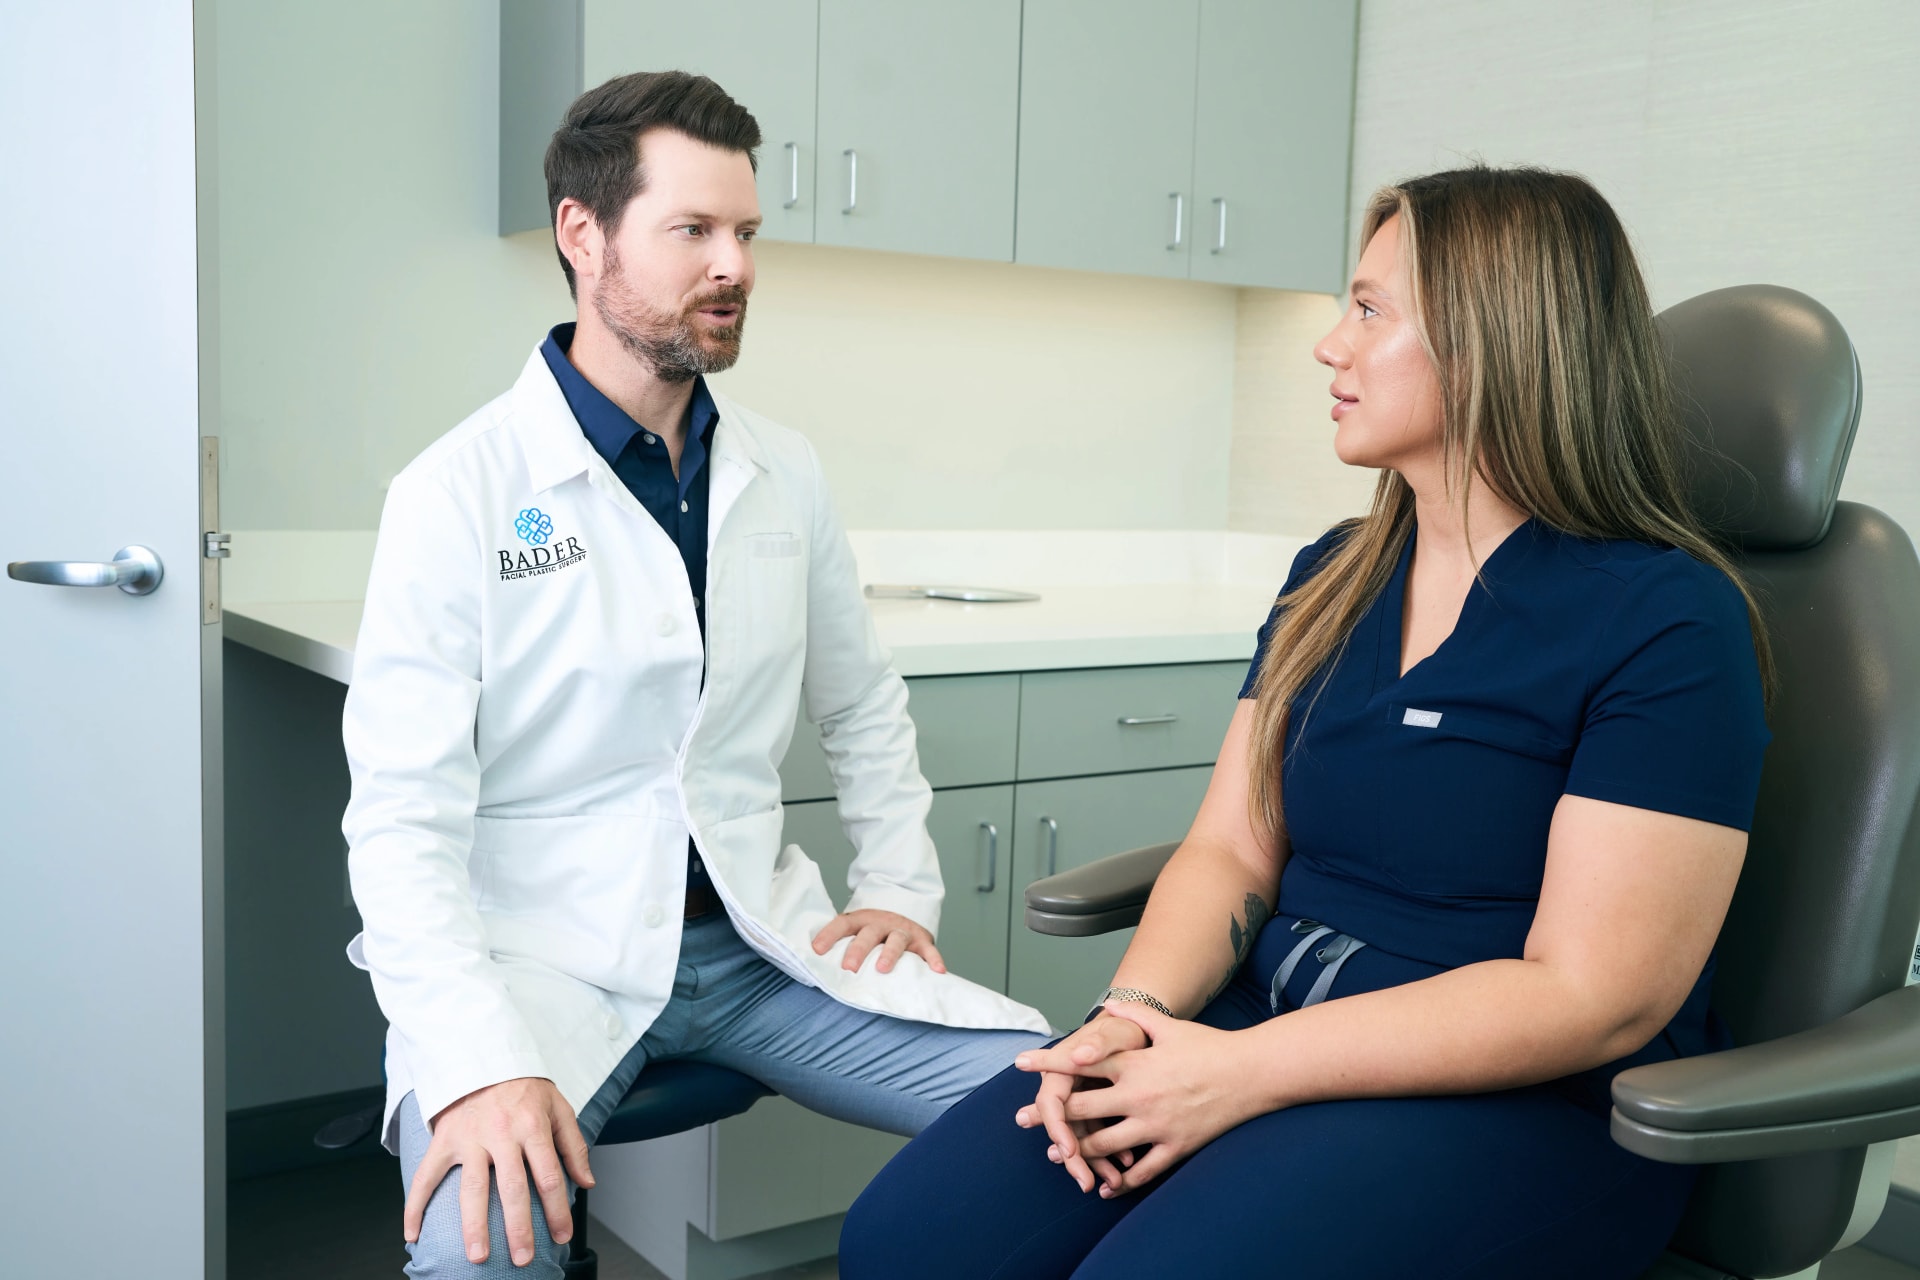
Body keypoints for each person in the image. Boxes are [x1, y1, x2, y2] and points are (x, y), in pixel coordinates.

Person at [839, 165, 1774, 1279]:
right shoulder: (1333, 573)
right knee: (909, 1240)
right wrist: (1128, 1019)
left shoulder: (1666, 619)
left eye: (1371, 310)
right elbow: (1231, 846)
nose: (1330, 344)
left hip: (1517, 1103)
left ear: (1495, 340)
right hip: (1250, 1026)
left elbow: (1594, 994)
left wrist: (1244, 1073)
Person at [341, 70, 1048, 1277]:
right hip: (539, 958)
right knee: (477, 1251)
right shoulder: (456, 491)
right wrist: (480, 1058)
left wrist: (900, 886)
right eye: (695, 231)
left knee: (1058, 1111)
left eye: (747, 233)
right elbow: (400, 819)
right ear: (583, 233)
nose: (737, 265)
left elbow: (863, 702)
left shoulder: (784, 470)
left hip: (755, 949)